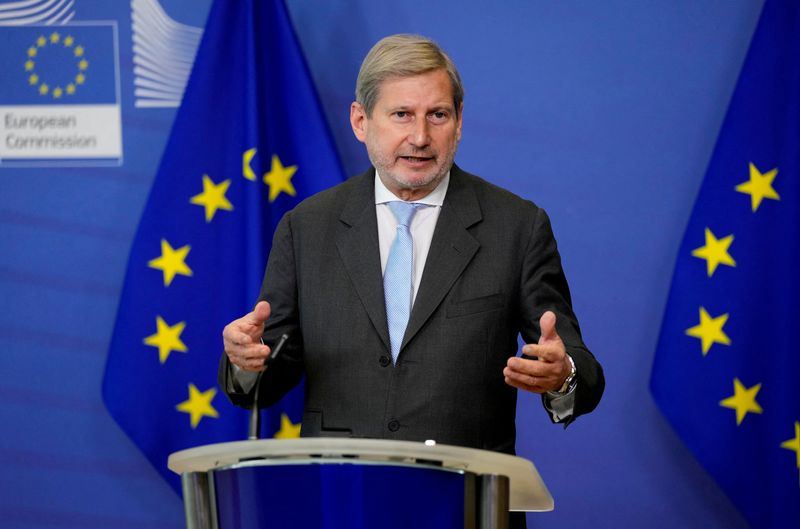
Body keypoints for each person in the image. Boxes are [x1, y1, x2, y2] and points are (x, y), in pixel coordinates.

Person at [220, 34, 604, 454]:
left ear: (459, 121)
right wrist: (246, 361)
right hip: (343, 494)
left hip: (466, 500)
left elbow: (579, 368)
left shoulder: (516, 226)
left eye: (437, 115)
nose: (420, 136)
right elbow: (266, 380)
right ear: (360, 121)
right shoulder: (307, 227)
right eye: (401, 114)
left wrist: (562, 374)